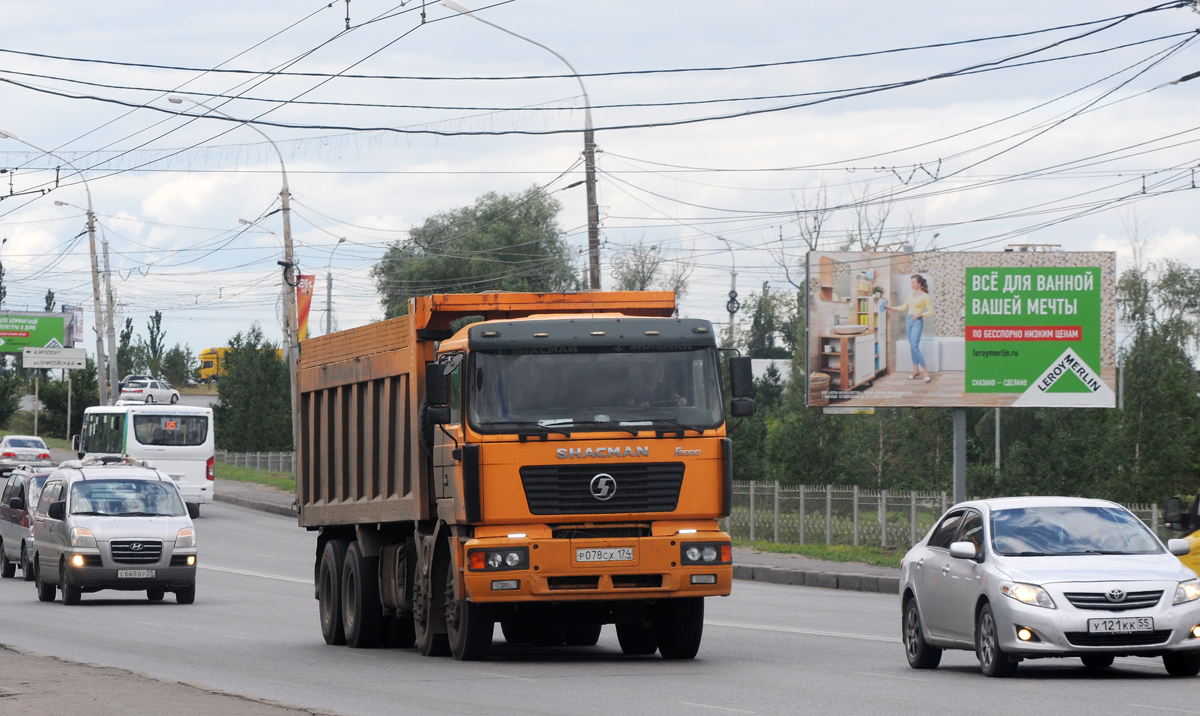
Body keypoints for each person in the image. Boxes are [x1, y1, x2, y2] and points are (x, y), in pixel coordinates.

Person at [886, 274, 935, 383]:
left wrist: (920, 315)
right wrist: (890, 308)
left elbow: (931, 311)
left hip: (917, 322)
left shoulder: (925, 296)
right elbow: (903, 307)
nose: (911, 284)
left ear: (919, 284)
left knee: (914, 347)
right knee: (912, 346)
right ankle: (916, 371)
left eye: (913, 282)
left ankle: (925, 372)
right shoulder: (910, 294)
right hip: (909, 321)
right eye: (911, 282)